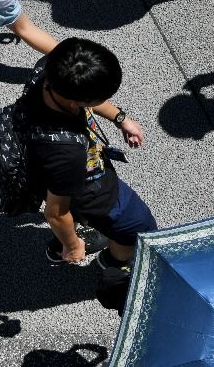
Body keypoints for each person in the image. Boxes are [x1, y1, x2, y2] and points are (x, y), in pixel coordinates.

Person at [18, 38, 155, 271]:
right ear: (77, 102)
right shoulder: (67, 153)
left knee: (71, 207)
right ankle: (111, 262)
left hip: (53, 176)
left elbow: (85, 100)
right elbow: (55, 212)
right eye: (100, 98)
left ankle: (67, 238)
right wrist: (72, 247)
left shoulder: (50, 72)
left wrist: (120, 118)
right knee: (139, 228)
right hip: (94, 193)